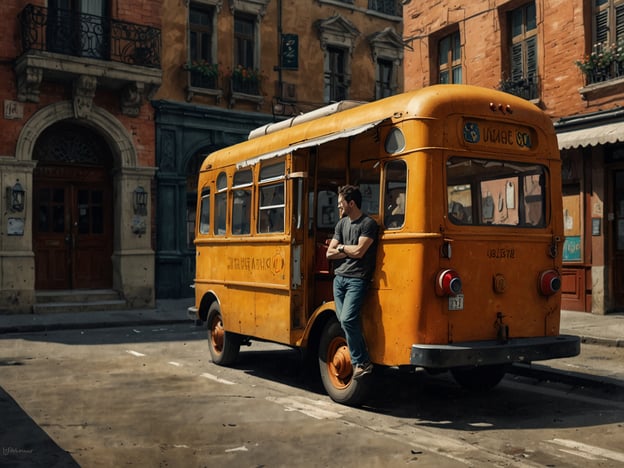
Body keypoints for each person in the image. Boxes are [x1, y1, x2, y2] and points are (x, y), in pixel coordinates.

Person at [326, 185, 378, 379]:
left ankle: (361, 361)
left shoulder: (368, 224)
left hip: (357, 279)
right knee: (345, 320)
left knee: (347, 319)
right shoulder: (341, 224)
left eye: (341, 203)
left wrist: (340, 248)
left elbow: (359, 252)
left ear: (352, 203)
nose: (339, 206)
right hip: (339, 279)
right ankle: (360, 360)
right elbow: (329, 253)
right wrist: (344, 249)